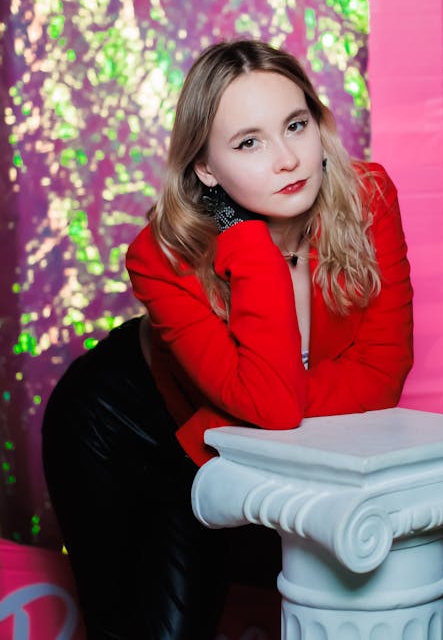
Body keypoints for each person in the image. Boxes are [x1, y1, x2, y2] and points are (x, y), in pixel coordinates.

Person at [42, 39, 413, 639]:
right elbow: (275, 404)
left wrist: (280, 404)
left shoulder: (370, 199)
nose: (287, 159)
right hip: (126, 423)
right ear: (206, 170)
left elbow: (384, 370)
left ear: (319, 124)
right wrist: (248, 243)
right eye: (249, 142)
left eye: (296, 126)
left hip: (260, 440)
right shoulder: (159, 256)